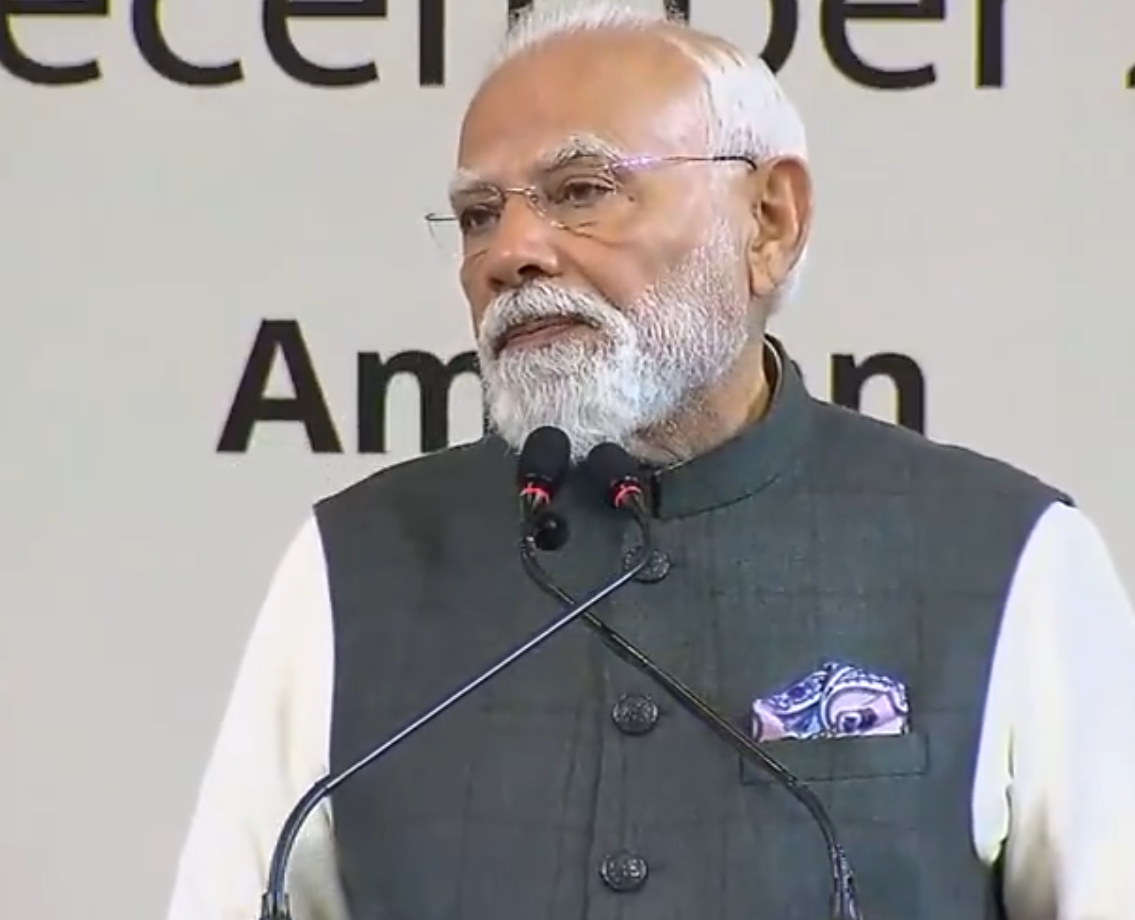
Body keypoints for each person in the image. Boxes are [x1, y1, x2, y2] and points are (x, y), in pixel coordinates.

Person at [165, 3, 1135, 919]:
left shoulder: (1006, 553)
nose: (510, 252)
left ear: (769, 221)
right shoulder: (357, 561)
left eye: (581, 191)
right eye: (478, 215)